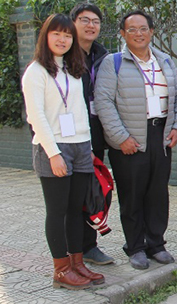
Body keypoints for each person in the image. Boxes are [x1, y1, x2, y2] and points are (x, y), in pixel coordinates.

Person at [94, 10, 177, 270]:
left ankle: (156, 243)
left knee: (158, 193)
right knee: (132, 195)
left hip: (161, 135)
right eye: (132, 29)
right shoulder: (112, 63)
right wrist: (120, 137)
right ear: (123, 34)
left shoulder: (165, 61)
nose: (139, 33)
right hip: (130, 138)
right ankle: (135, 247)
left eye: (143, 28)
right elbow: (104, 102)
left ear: (151, 31)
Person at [22, 14, 104, 289]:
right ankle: (61, 270)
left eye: (67, 35)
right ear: (45, 36)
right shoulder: (36, 72)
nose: (62, 40)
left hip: (80, 146)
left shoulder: (73, 69)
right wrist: (53, 153)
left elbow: (80, 110)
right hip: (53, 147)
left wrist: (88, 148)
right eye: (56, 34)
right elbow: (36, 116)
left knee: (75, 210)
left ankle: (77, 263)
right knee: (57, 211)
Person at [70, 3, 115, 266]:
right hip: (70, 138)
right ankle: (72, 251)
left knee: (93, 191)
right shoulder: (63, 55)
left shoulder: (102, 55)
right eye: (85, 20)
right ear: (73, 23)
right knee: (73, 196)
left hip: (96, 134)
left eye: (95, 21)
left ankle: (88, 246)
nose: (91, 25)